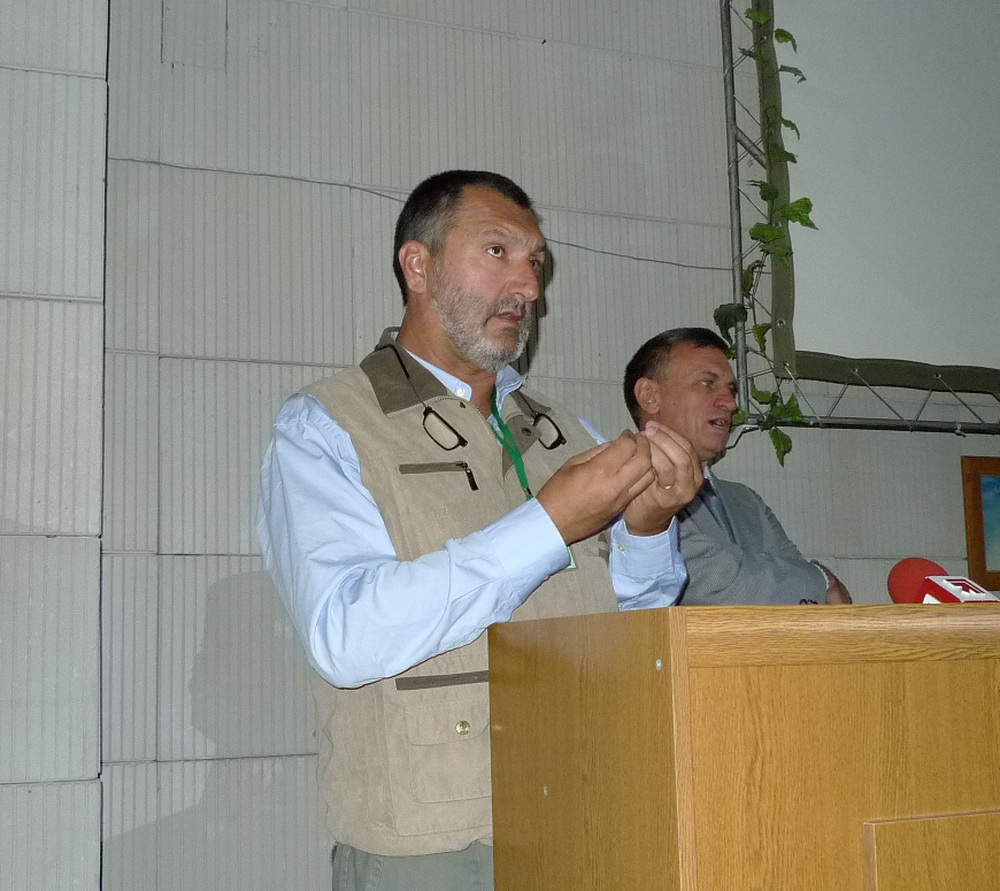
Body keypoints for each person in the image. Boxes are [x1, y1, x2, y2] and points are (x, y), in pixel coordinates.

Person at [257, 171, 702, 890]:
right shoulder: (326, 425)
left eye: (535, 261)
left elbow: (628, 627)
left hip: (585, 814)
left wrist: (647, 531)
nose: (528, 287)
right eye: (498, 251)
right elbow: (344, 633)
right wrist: (550, 522)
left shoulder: (570, 432)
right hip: (436, 849)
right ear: (418, 265)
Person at [624, 327, 851, 606]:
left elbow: (798, 596)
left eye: (731, 390)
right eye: (707, 383)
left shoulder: (746, 501)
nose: (731, 403)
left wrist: (801, 581)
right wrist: (822, 579)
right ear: (649, 395)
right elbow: (715, 584)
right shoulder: (625, 488)